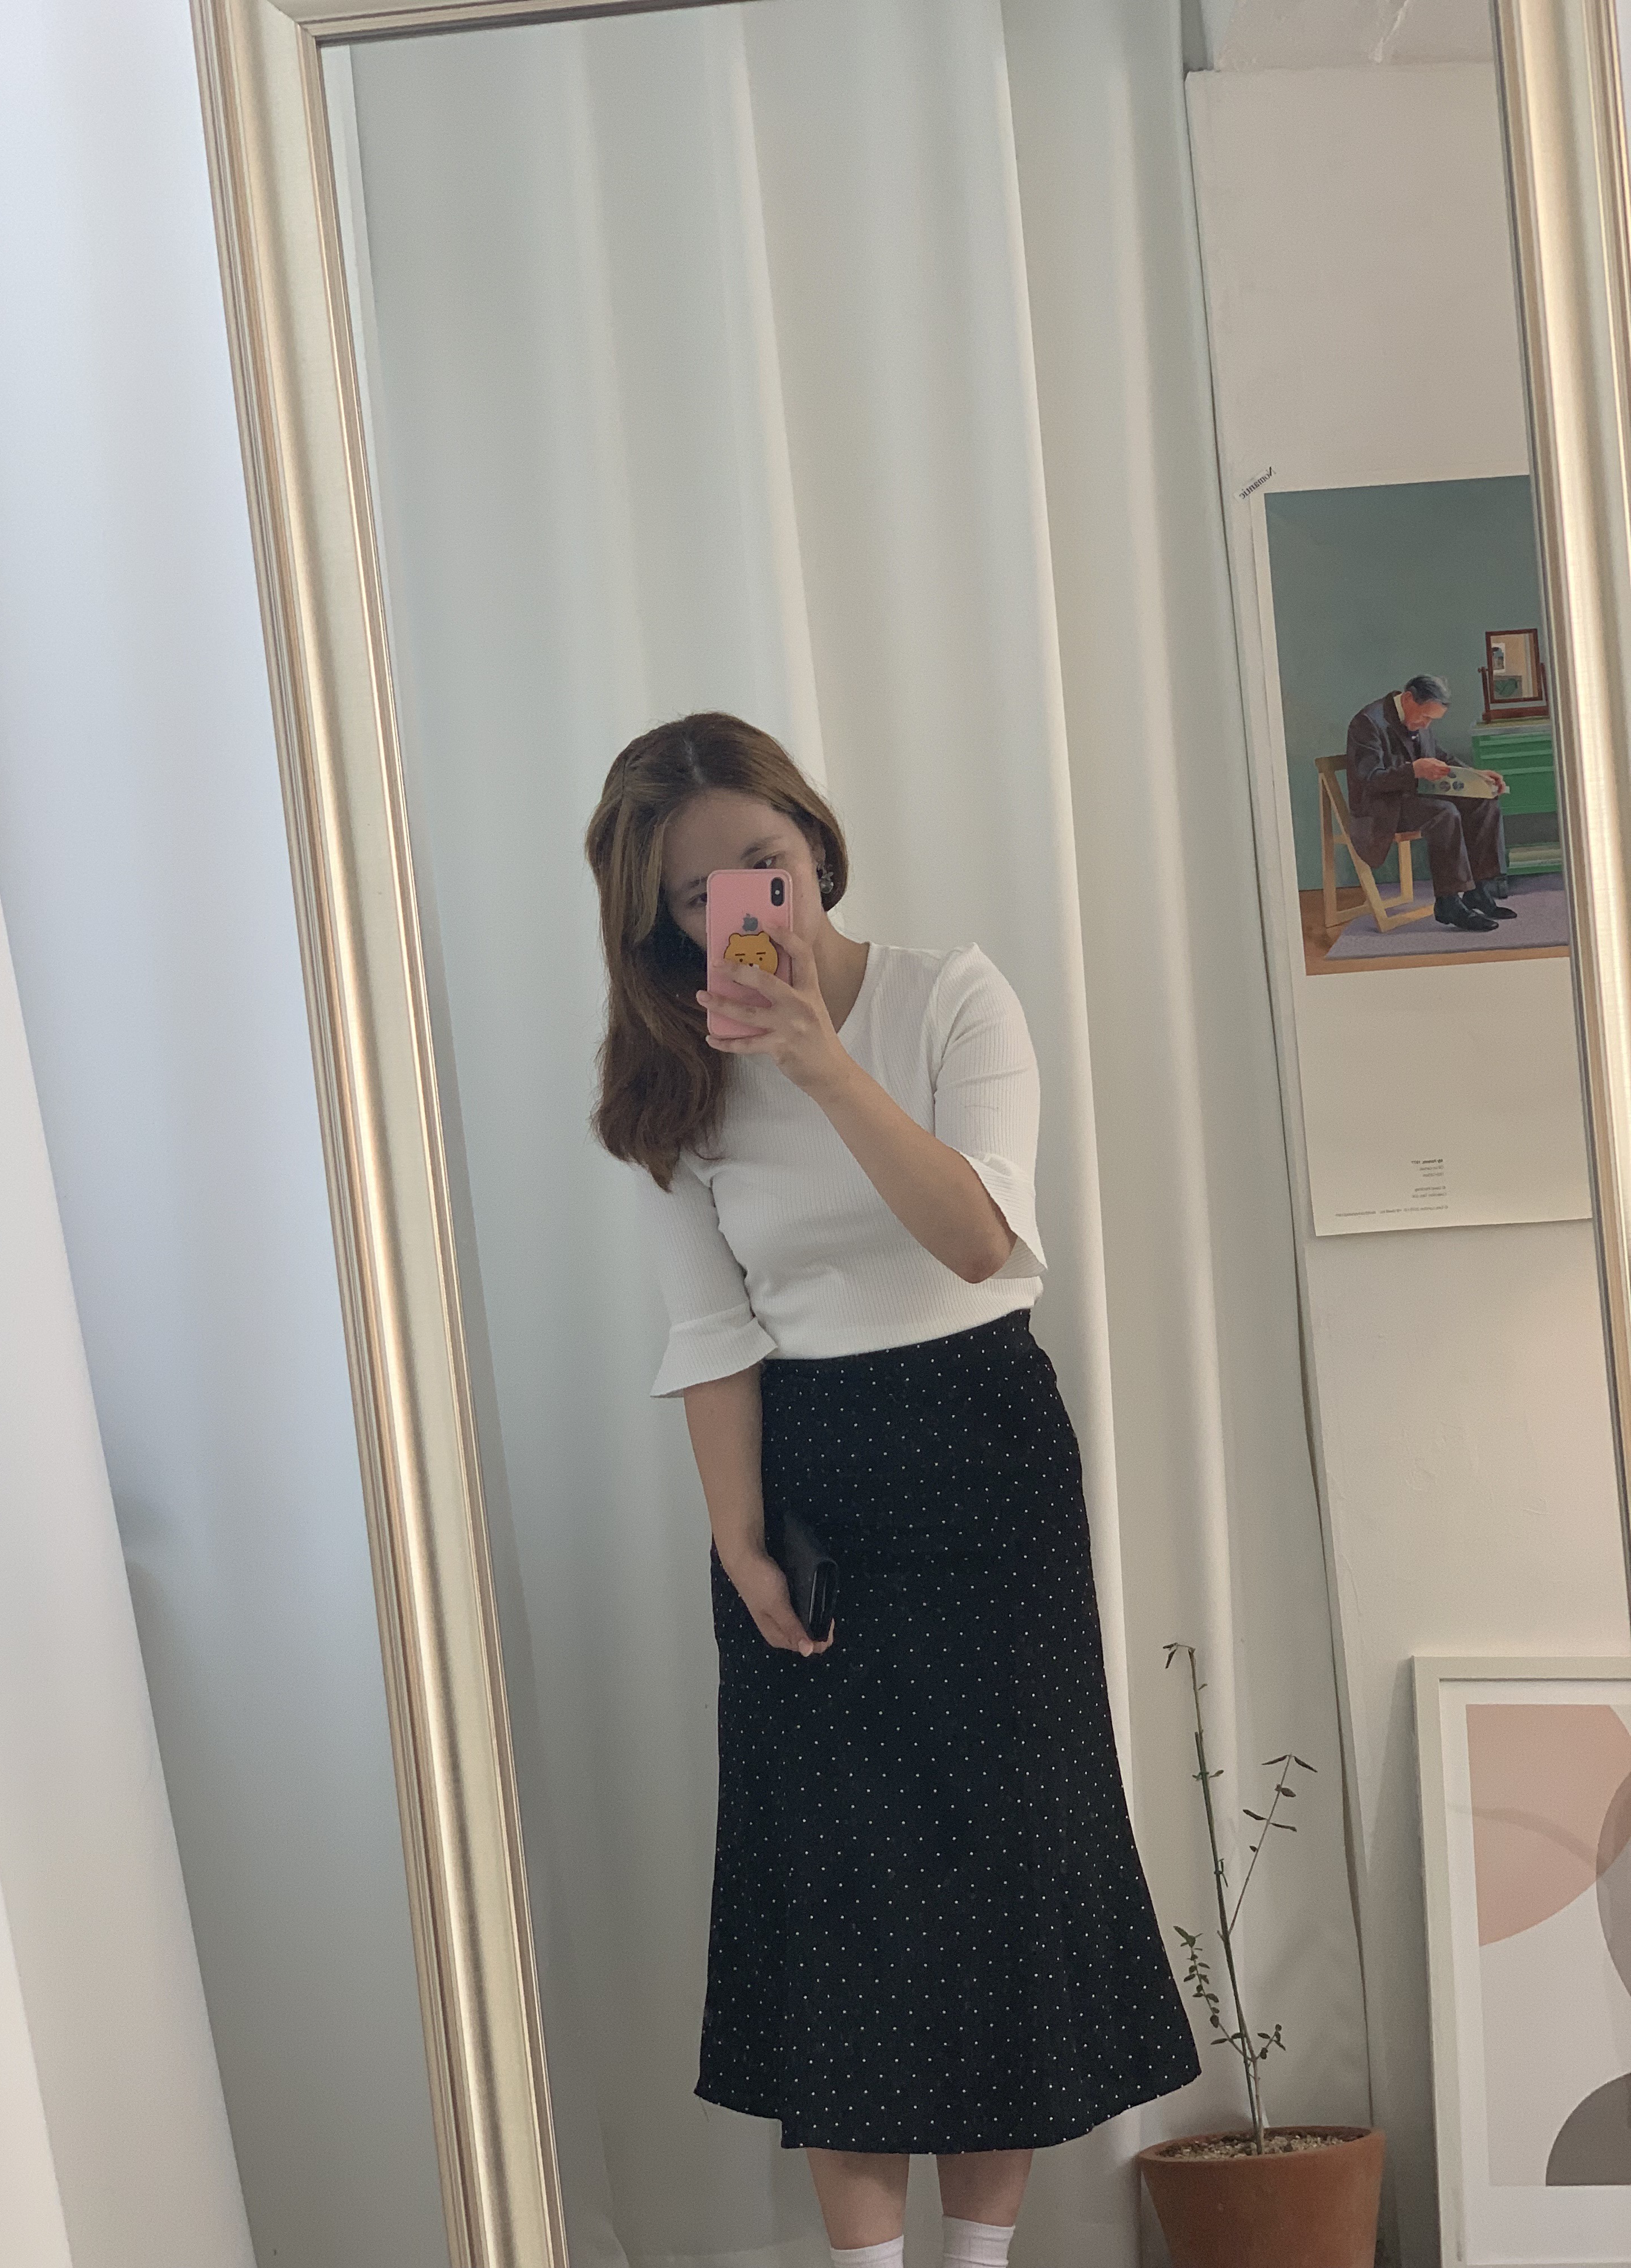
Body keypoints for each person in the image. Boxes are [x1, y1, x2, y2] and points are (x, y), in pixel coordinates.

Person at [585, 712, 1200, 2268]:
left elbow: (980, 1239)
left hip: (984, 1457)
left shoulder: (951, 998)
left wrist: (824, 1062)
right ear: (663, 922)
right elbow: (711, 1331)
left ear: (813, 838)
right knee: (843, 1905)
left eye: (765, 860)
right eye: (702, 894)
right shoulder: (671, 1080)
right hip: (805, 1485)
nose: (751, 903)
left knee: (1002, 1877)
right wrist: (738, 1543)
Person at [1343, 673, 1513, 933]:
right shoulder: (1367, 722)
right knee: (1445, 813)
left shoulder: (1417, 720)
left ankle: (1478, 891)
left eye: (1431, 720)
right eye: (1425, 717)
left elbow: (1440, 757)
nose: (1426, 725)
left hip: (1414, 798)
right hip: (1381, 809)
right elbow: (1369, 780)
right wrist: (1413, 771)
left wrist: (1477, 777)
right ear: (1408, 698)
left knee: (1483, 801)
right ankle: (1448, 902)